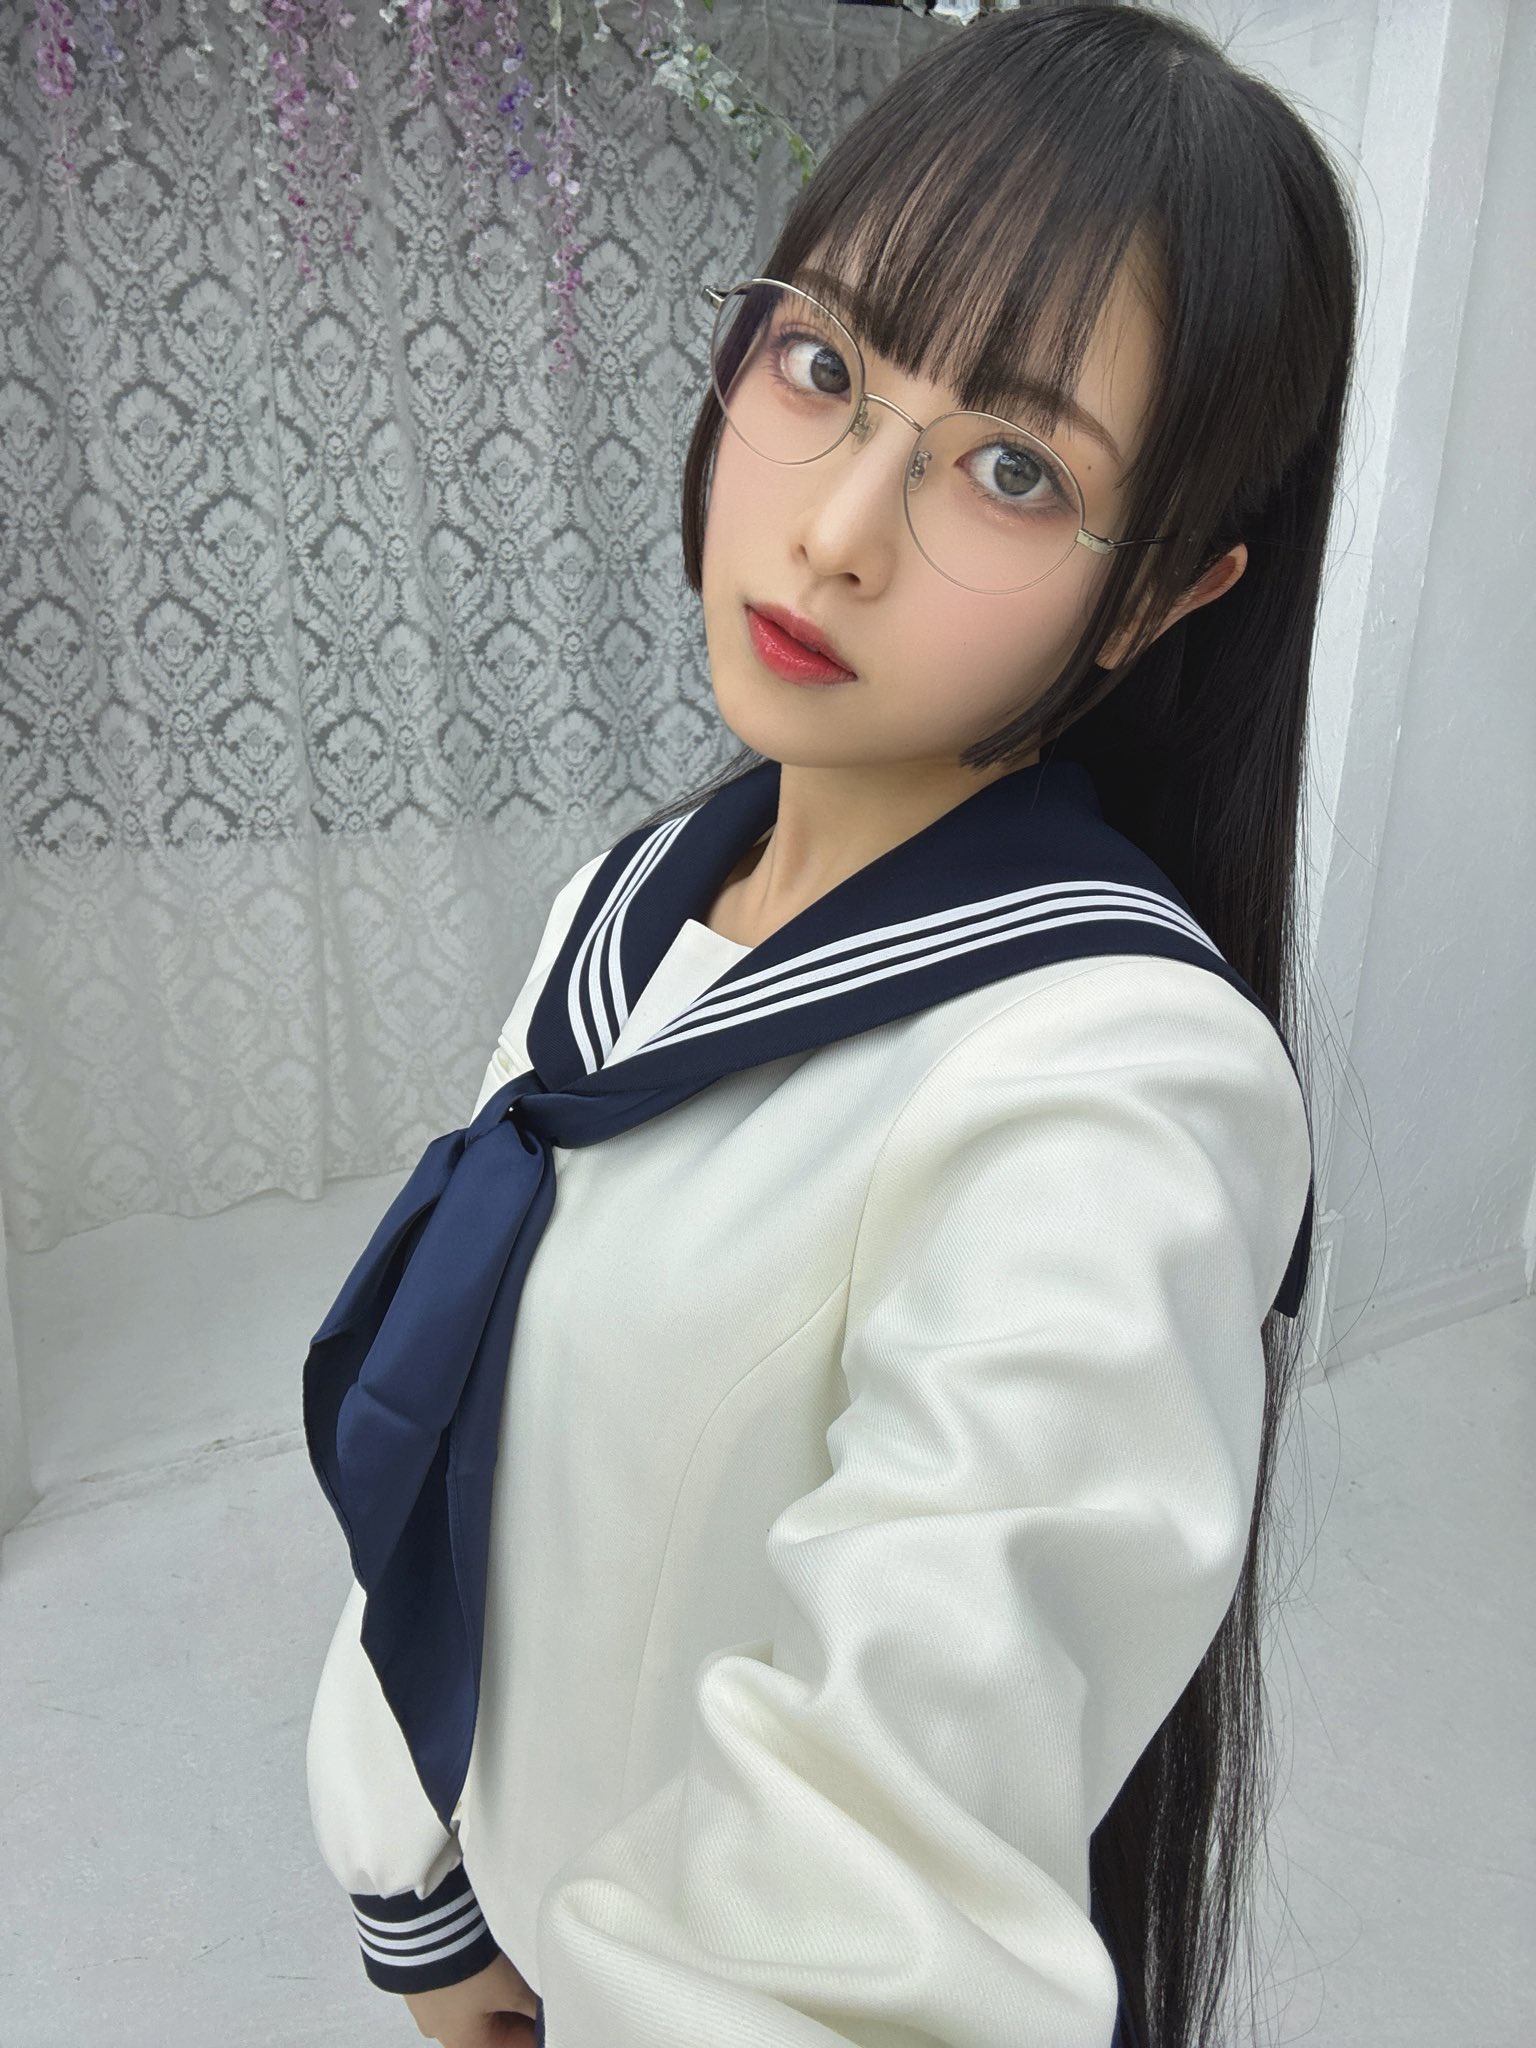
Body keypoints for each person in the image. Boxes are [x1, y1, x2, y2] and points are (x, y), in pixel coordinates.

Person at [302, 4, 1358, 2044]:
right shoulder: (633, 904)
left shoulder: (1111, 1093)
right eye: (824, 366)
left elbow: (886, 1881)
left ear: (1162, 596)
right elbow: (463, 1457)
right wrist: (421, 1892)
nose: (839, 529)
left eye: (1013, 468)